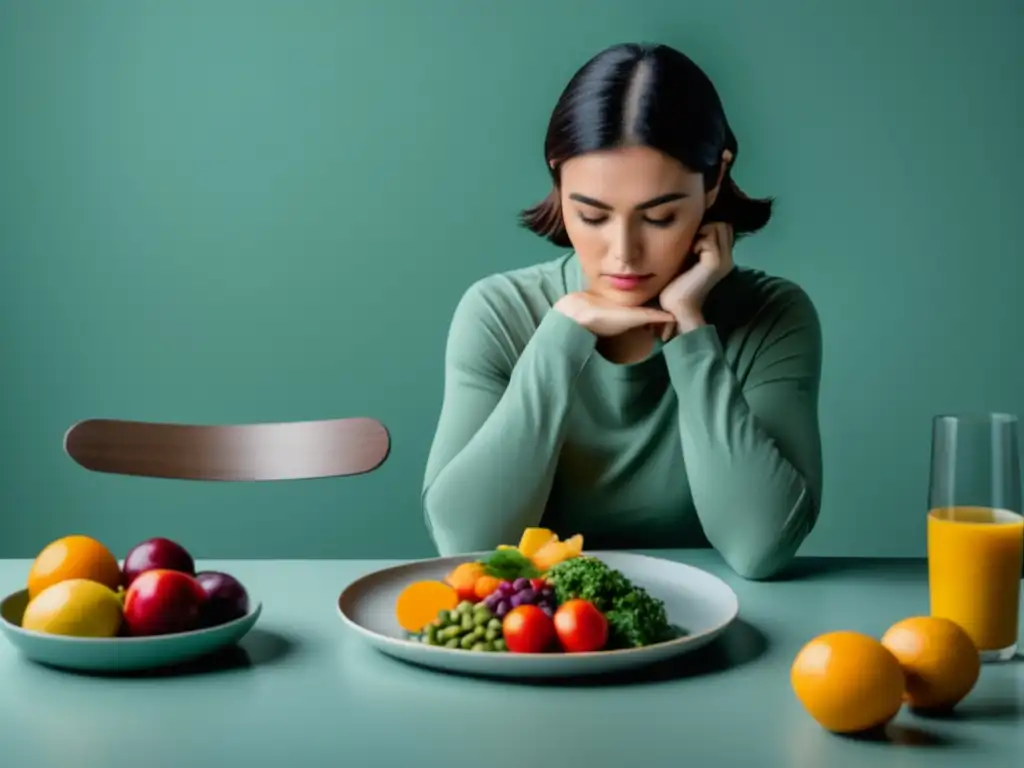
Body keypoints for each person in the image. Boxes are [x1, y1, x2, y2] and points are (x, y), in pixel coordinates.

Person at [421, 42, 823, 580]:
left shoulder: (772, 315)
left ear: (716, 179)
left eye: (659, 218)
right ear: (557, 176)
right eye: (591, 215)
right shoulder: (498, 312)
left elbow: (760, 545)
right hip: (537, 642)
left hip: (714, 629)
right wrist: (560, 338)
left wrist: (689, 327)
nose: (623, 253)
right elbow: (466, 544)